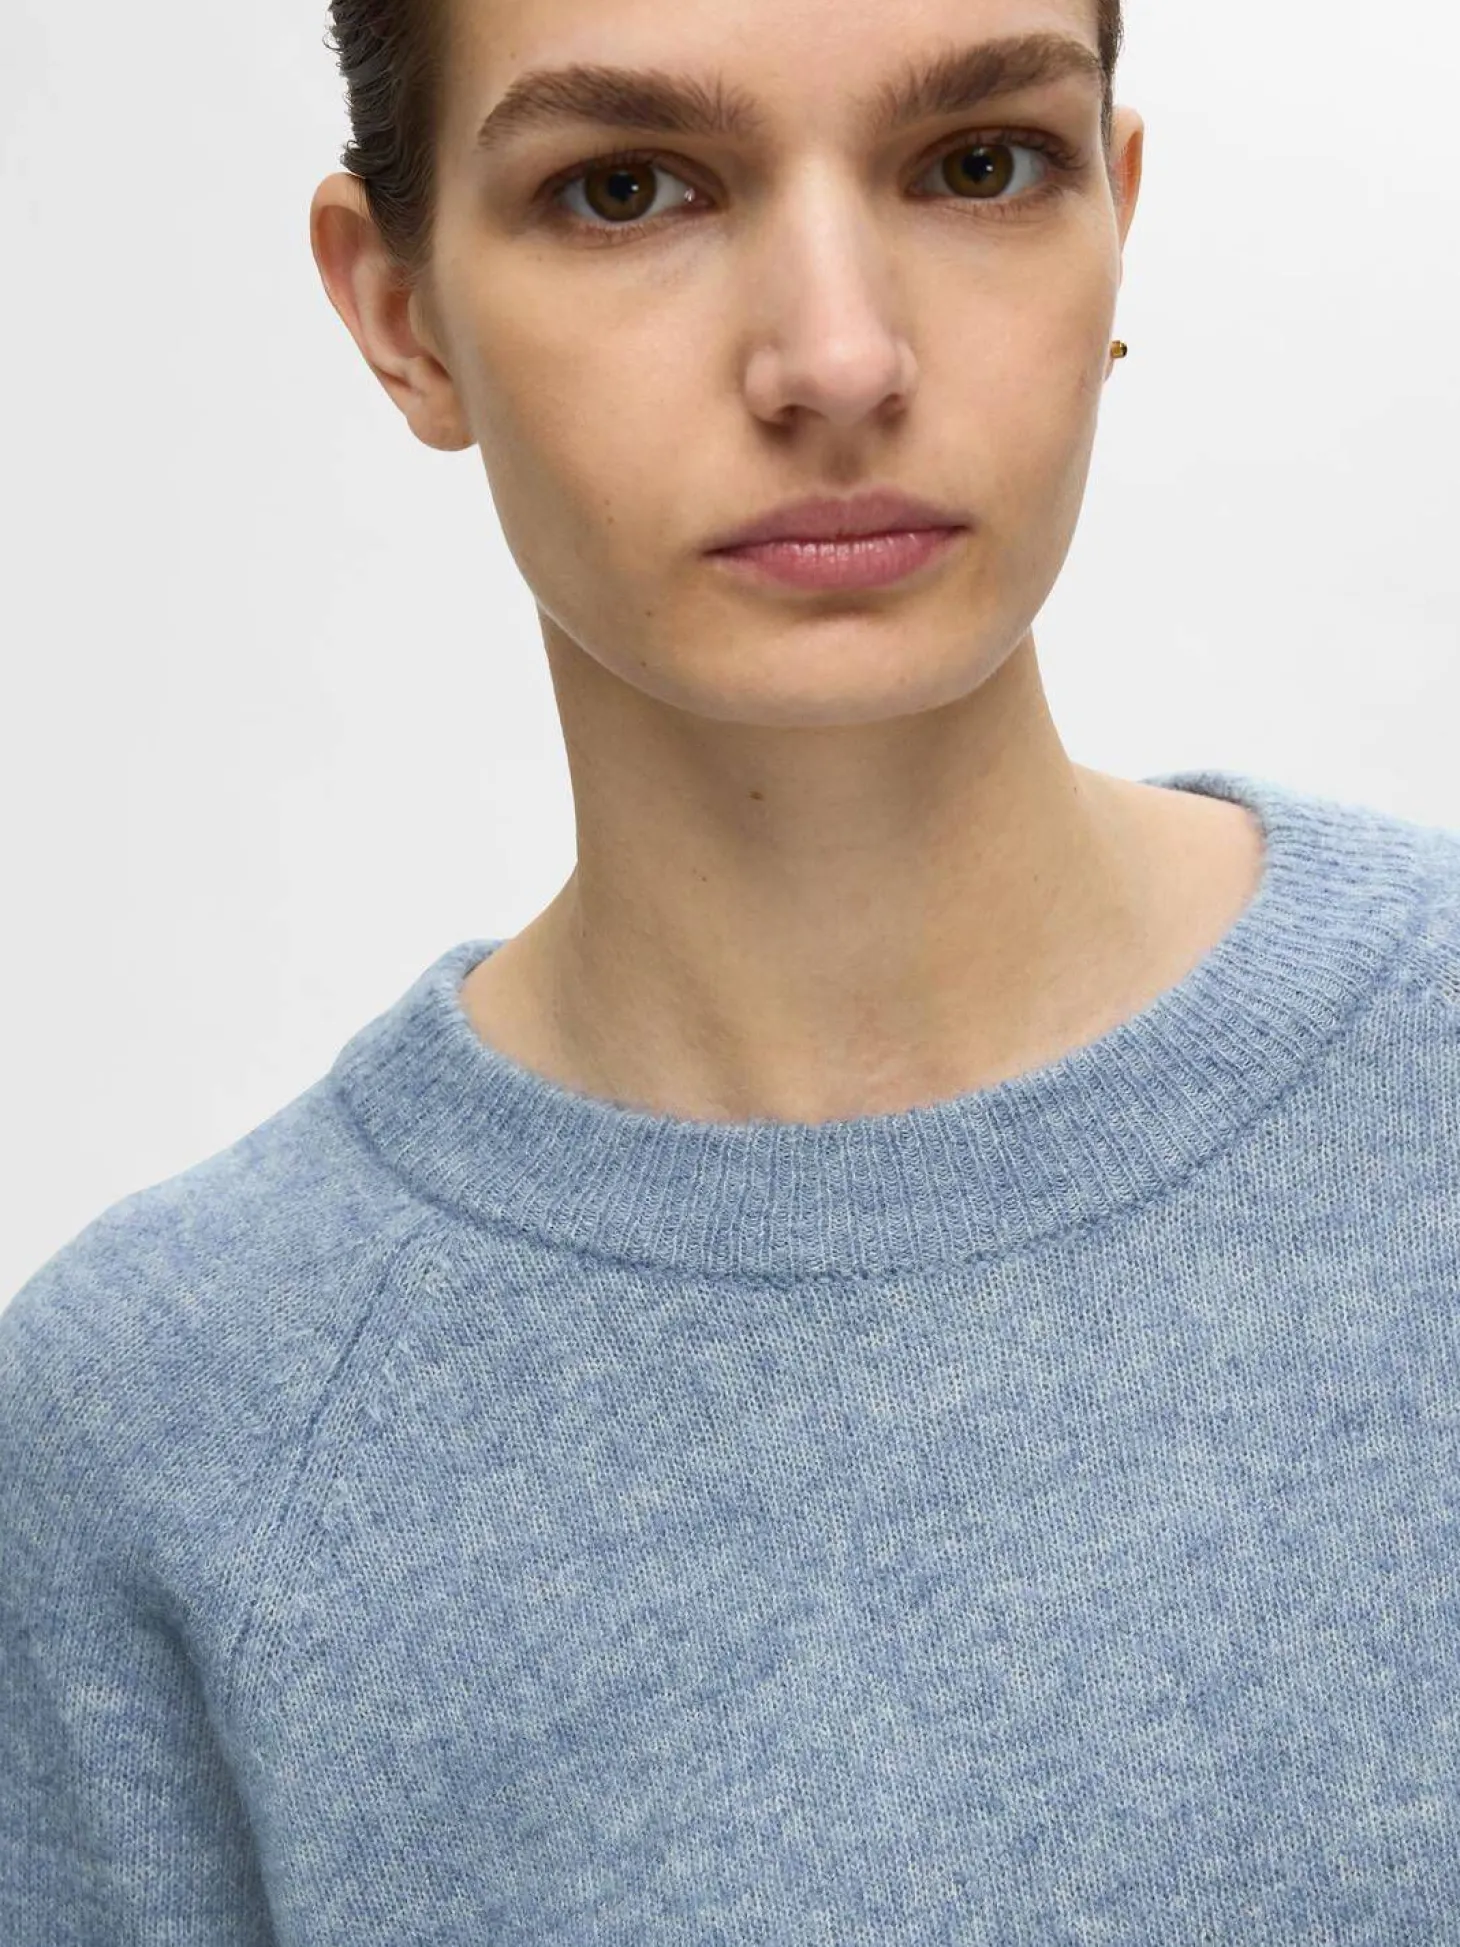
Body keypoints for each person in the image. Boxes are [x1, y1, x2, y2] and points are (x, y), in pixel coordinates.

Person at [4, 0, 1458, 1939]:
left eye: (978, 165)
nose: (837, 358)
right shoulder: (164, 1432)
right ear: (399, 313)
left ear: (1117, 213)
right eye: (627, 190)